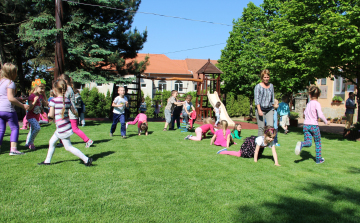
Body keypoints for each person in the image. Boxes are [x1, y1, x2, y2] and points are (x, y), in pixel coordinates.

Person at [37, 79, 92, 166]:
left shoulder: (53, 101)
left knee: (68, 147)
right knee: (51, 142)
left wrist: (46, 114)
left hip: (62, 128)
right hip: (64, 127)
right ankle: (47, 161)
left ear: (54, 90)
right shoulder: (67, 100)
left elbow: (50, 115)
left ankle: (86, 159)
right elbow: (74, 112)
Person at [0, 63, 30, 155]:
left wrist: (20, 99)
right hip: (8, 110)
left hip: (0, 109)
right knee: (15, 128)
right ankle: (13, 150)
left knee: (1, 129)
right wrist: (23, 105)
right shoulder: (10, 83)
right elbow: (10, 98)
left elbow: (5, 97)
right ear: (12, 72)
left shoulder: (1, 82)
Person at [295, 85, 328, 164]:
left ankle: (302, 144)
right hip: (314, 125)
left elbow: (305, 113)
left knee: (308, 142)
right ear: (319, 94)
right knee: (318, 142)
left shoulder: (308, 104)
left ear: (310, 94)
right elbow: (320, 115)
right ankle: (318, 159)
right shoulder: (317, 104)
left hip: (306, 125)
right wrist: (326, 121)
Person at [59, 74, 93, 148]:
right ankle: (62, 142)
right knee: (63, 127)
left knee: (75, 129)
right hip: (69, 112)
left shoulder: (68, 89)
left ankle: (88, 140)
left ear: (65, 81)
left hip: (72, 113)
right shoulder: (69, 88)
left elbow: (64, 99)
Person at [25, 78, 46, 150]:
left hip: (36, 116)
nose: (42, 90)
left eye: (43, 88)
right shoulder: (32, 96)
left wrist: (42, 109)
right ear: (35, 87)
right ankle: (31, 142)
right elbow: (30, 108)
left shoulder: (40, 96)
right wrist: (34, 101)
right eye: (41, 88)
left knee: (32, 129)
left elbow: (44, 103)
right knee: (37, 128)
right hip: (30, 116)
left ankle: (27, 143)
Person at [254, 69, 274, 136]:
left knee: (270, 127)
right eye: (265, 77)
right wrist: (259, 110)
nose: (266, 79)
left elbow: (272, 98)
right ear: (262, 77)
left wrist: (273, 108)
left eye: (267, 77)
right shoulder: (258, 86)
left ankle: (269, 143)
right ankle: (260, 144)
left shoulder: (271, 86)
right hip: (260, 109)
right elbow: (256, 99)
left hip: (269, 109)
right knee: (261, 127)